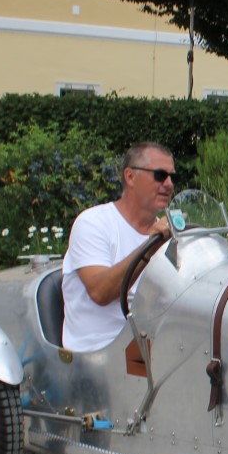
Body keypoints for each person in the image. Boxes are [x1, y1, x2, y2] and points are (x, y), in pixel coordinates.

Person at [61, 141, 176, 353]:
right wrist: (150, 246)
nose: (169, 184)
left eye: (172, 177)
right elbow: (100, 292)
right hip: (100, 351)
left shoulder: (166, 231)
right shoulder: (93, 223)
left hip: (148, 341)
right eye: (160, 175)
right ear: (130, 176)